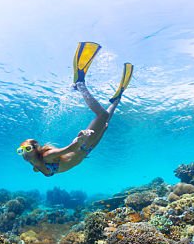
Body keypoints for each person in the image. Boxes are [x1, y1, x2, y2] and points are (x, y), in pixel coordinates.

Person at [18, 42, 132, 176]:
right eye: (21, 150)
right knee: (105, 121)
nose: (24, 152)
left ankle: (80, 85)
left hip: (82, 145)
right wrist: (100, 133)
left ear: (35, 149)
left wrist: (79, 140)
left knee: (102, 116)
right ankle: (116, 100)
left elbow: (69, 149)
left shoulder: (48, 156)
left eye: (27, 148)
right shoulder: (35, 165)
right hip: (87, 150)